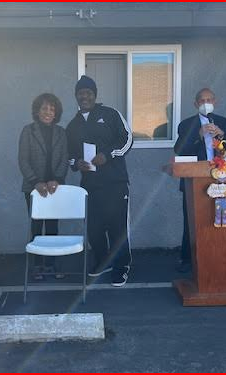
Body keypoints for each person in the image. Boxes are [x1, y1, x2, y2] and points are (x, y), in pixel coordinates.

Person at [66, 75, 133, 287]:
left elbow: (128, 139)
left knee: (117, 227)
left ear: (95, 95)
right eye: (80, 93)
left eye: (88, 92)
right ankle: (104, 262)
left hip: (115, 182)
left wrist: (108, 155)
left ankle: (122, 266)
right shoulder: (72, 125)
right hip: (90, 185)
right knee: (94, 229)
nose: (84, 96)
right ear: (76, 96)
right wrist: (77, 163)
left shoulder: (110, 114)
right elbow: (69, 155)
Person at [173, 88, 226, 272]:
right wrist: (198, 135)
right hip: (194, 180)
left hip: (220, 178)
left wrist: (221, 135)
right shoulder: (186, 125)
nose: (206, 103)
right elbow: (180, 150)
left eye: (209, 99)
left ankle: (216, 256)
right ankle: (188, 259)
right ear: (196, 104)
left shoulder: (223, 121)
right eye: (202, 100)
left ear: (215, 102)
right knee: (192, 220)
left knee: (217, 218)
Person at [18, 93, 68, 280]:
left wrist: (57, 179)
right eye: (44, 108)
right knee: (37, 227)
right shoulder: (28, 131)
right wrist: (35, 182)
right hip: (33, 188)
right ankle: (38, 266)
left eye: (52, 109)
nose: (48, 112)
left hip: (55, 187)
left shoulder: (61, 133)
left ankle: (52, 265)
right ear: (37, 111)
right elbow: (23, 160)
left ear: (56, 113)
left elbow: (64, 159)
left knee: (53, 227)